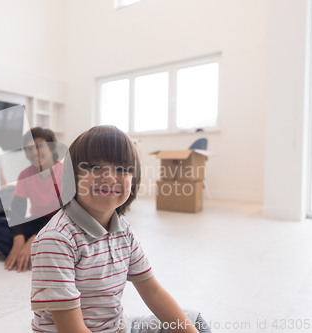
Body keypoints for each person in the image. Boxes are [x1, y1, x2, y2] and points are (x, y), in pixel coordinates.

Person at [30, 125, 211, 333]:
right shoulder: (56, 240)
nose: (109, 177)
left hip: (119, 328)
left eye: (122, 169)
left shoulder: (123, 230)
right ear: (71, 175)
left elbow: (152, 292)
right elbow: (71, 329)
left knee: (192, 322)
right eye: (95, 166)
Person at [0, 127, 62, 273]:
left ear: (53, 147)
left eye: (39, 146)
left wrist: (32, 241)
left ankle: (21, 250)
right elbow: (17, 211)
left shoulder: (64, 172)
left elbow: (63, 214)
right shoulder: (25, 175)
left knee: (62, 240)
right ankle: (32, 254)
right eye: (29, 149)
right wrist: (18, 242)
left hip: (57, 225)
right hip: (35, 221)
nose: (33, 153)